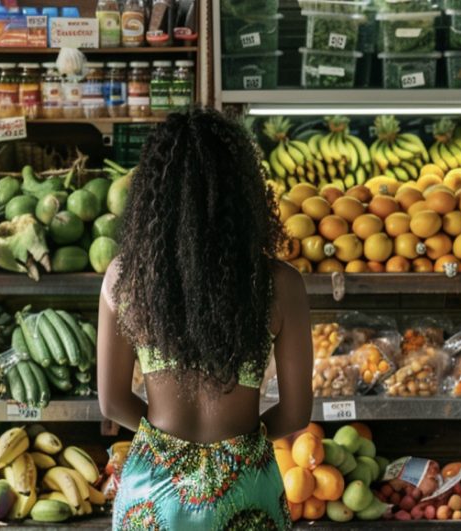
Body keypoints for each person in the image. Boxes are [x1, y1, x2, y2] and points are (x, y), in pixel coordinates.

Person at [97, 107, 313, 530]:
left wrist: (167, 448)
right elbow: (296, 412)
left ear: (152, 193)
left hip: (152, 494)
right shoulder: (280, 284)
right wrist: (241, 450)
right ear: (244, 193)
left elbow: (111, 401)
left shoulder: (124, 277)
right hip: (244, 493)